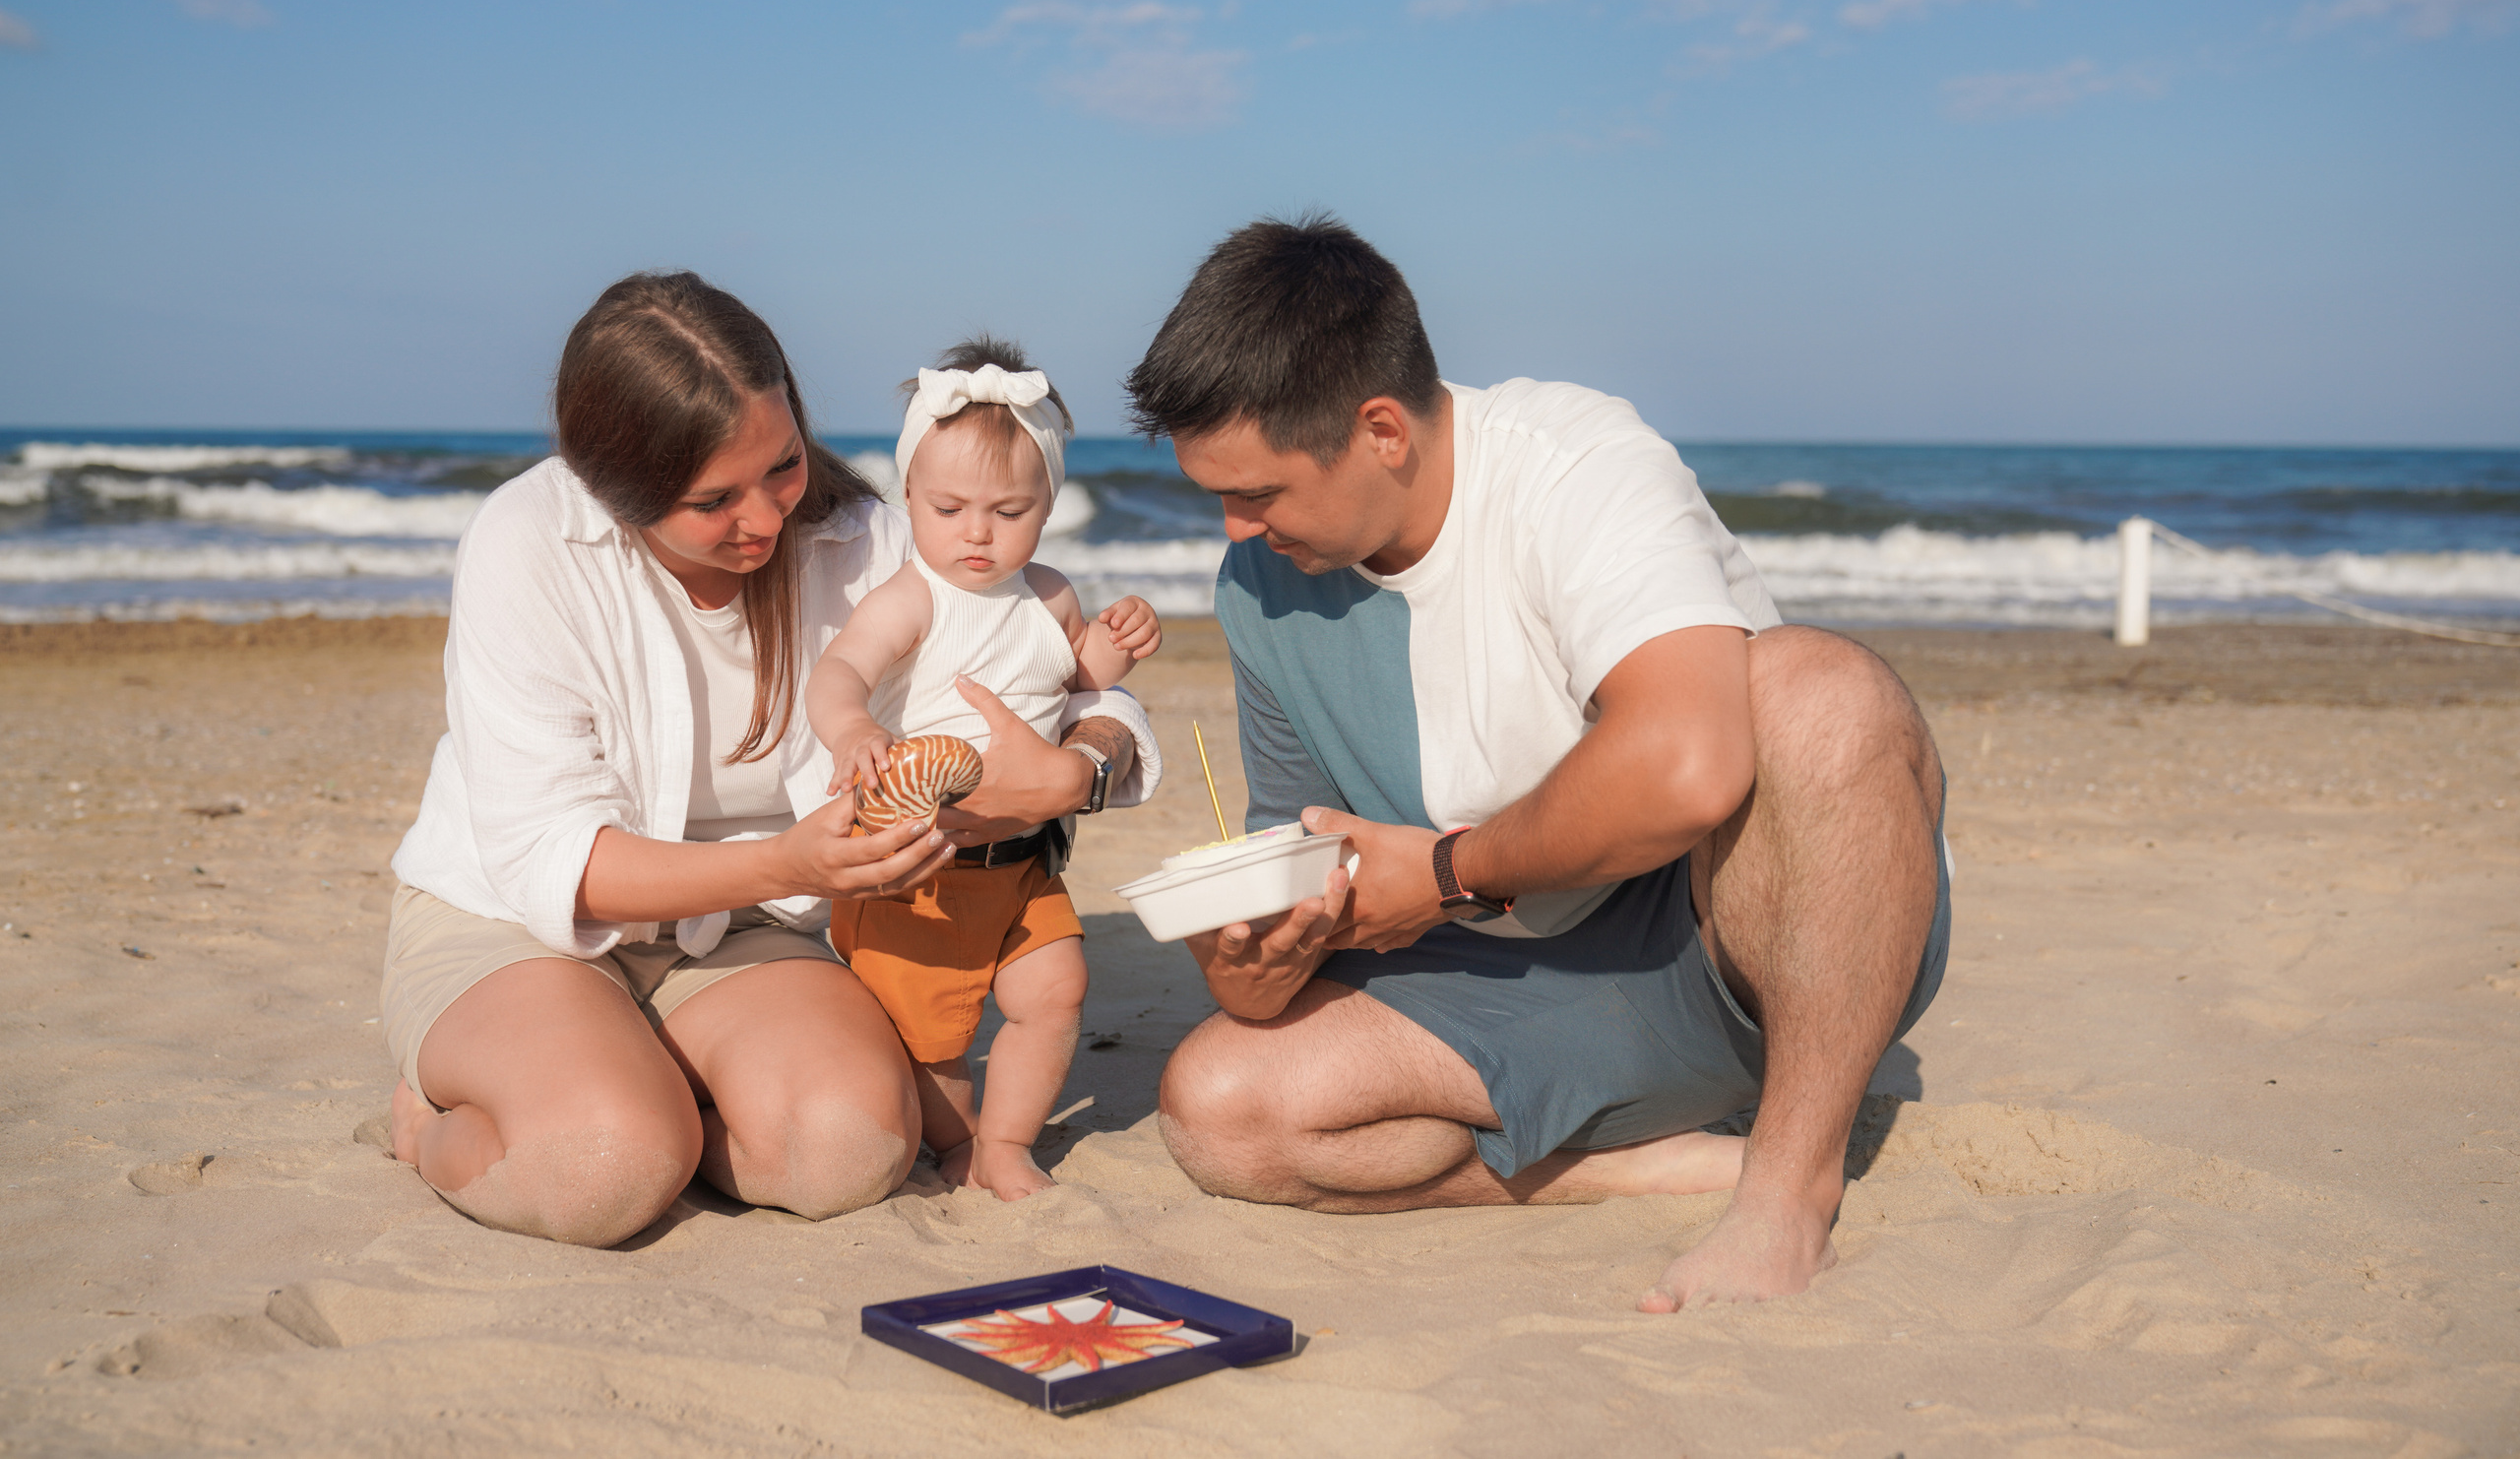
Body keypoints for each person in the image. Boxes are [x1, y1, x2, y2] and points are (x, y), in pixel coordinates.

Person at [1122, 216, 1948, 1309]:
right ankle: (1634, 1167)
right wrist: (1255, 962)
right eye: (1214, 496)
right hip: (1516, 982)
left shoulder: (1575, 465)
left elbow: (1690, 766)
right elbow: (1296, 858)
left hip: (1749, 941)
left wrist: (1447, 873)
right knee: (1221, 1109)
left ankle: (1788, 1189)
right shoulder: (1261, 591)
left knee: (1819, 692)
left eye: (1259, 494)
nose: (1233, 530)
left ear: (1380, 431)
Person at [381, 273, 1157, 1247]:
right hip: (520, 918)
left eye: (783, 466)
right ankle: (439, 1118)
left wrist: (1085, 760)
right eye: (714, 500)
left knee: (848, 1148)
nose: (766, 519)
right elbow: (552, 856)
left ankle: (647, 1088)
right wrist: (791, 862)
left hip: (747, 931)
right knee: (601, 1166)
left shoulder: (868, 542)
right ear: (612, 488)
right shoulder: (530, 543)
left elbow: (1058, 676)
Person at [807, 338, 1163, 1201]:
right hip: (915, 870)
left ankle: (1003, 1145)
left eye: (1009, 510)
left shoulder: (1050, 597)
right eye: (949, 506)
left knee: (1057, 987)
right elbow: (839, 672)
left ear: (1048, 505)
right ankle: (959, 1141)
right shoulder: (912, 597)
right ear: (909, 498)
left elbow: (1072, 683)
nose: (977, 531)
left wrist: (1113, 648)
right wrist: (853, 725)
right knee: (931, 1040)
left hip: (1023, 862)